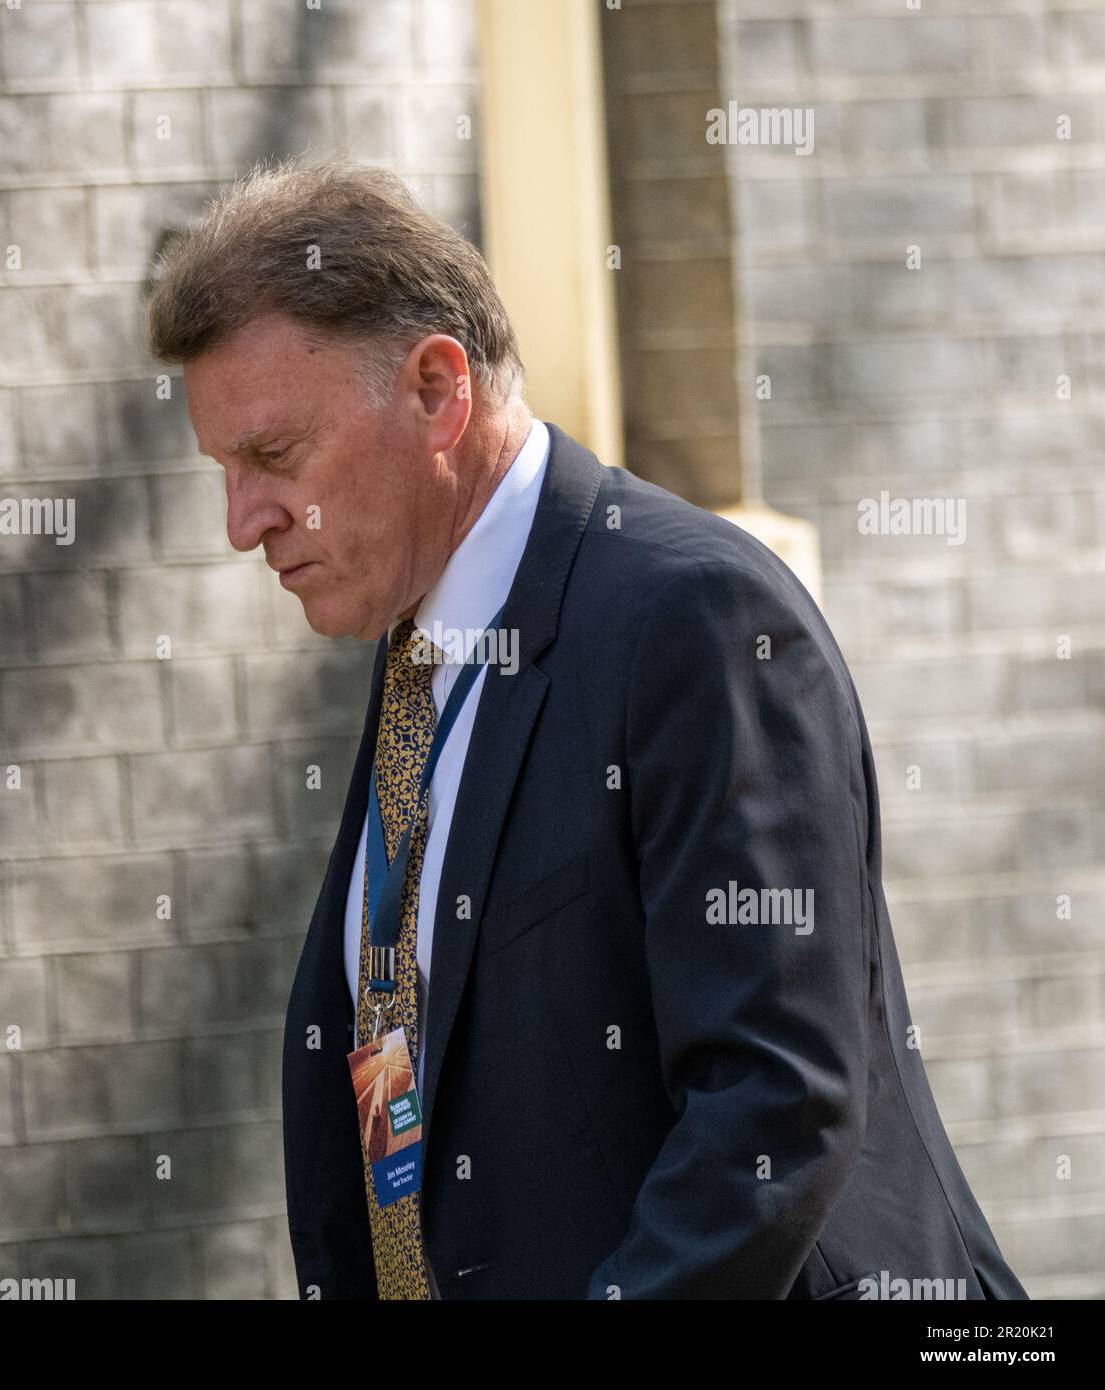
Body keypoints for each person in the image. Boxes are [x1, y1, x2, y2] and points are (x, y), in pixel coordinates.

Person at [148, 156, 1028, 1302]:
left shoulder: (696, 615)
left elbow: (771, 1107)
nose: (240, 523)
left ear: (435, 390)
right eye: (225, 470)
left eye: (273, 457)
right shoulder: (421, 645)